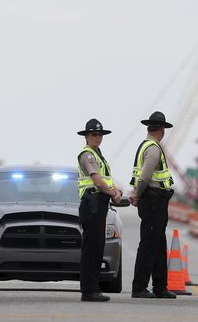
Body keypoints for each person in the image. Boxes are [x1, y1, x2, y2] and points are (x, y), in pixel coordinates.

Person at [129, 111, 176, 299]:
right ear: (162, 129)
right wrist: (137, 194)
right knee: (149, 245)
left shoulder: (145, 145)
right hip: (153, 200)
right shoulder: (153, 148)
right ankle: (139, 287)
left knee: (158, 244)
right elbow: (145, 176)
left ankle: (160, 286)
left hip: (155, 201)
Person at [76, 118, 122, 302]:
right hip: (92, 205)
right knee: (91, 249)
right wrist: (113, 193)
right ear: (86, 136)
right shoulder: (87, 155)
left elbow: (105, 180)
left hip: (99, 205)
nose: (98, 137)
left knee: (97, 248)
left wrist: (116, 190)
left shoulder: (98, 155)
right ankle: (89, 290)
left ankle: (93, 288)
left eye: (100, 134)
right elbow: (96, 180)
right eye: (94, 134)